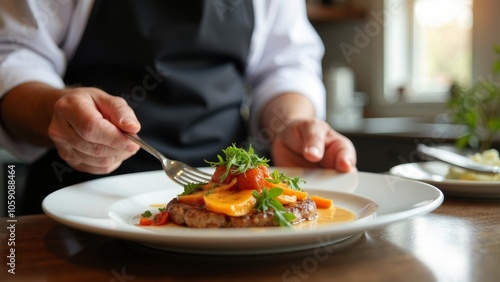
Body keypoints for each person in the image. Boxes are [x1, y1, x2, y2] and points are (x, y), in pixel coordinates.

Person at [0, 0, 357, 215]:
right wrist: (56, 108)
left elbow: (284, 66)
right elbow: (14, 57)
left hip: (231, 199)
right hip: (79, 204)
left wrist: (290, 124)